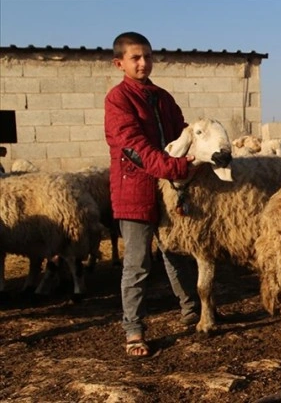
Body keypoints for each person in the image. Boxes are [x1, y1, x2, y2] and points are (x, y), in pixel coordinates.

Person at [104, 32, 200, 358]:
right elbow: (133, 147)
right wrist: (176, 167)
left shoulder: (162, 98)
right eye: (135, 57)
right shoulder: (118, 100)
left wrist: (200, 145)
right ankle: (133, 329)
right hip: (135, 190)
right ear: (119, 63)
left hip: (167, 191)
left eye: (147, 56)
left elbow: (181, 133)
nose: (143, 62)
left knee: (177, 253)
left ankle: (192, 309)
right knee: (137, 263)